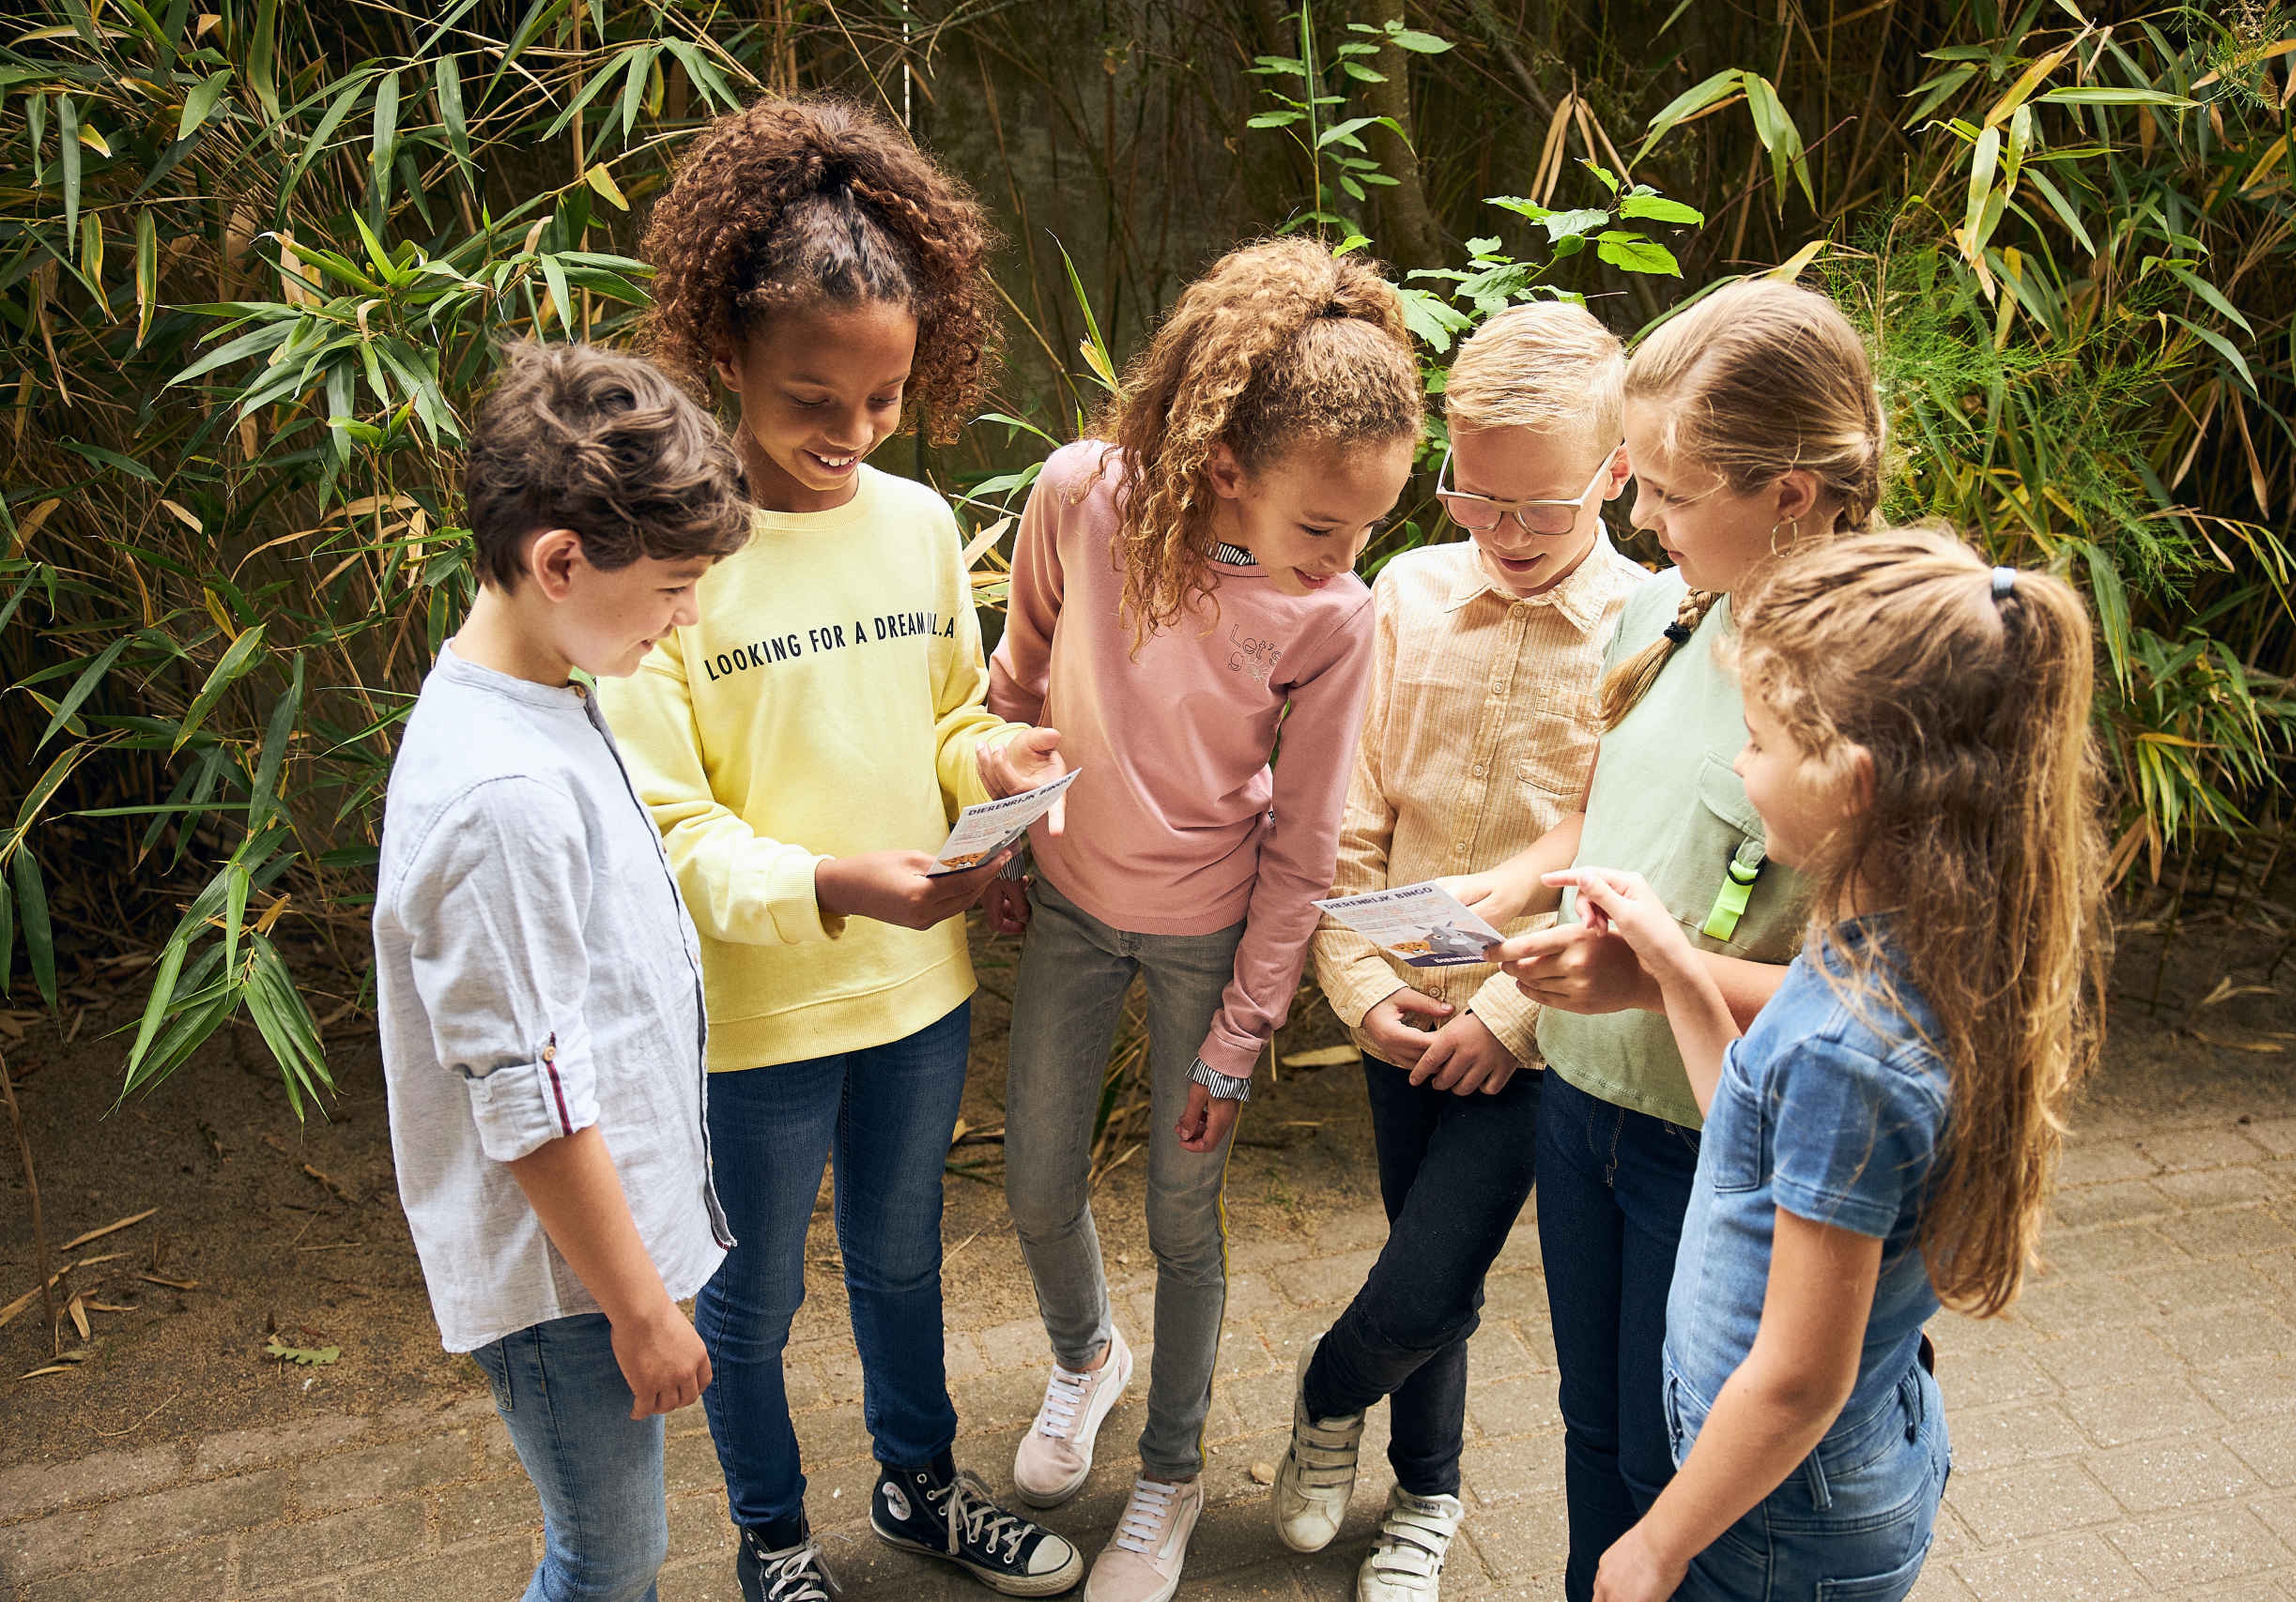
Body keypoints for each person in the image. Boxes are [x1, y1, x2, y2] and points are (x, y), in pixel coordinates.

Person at [598, 95, 1079, 1601]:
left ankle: (921, 1486)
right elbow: (669, 830)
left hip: (917, 992)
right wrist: (830, 885)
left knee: (901, 1261)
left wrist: (987, 758)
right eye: (814, 397)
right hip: (752, 1017)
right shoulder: (667, 553)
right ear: (724, 352)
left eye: (883, 401)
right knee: (747, 1302)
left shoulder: (923, 522)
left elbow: (938, 716)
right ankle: (771, 1535)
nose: (851, 436)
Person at [981, 236, 1422, 1602]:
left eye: (1370, 533)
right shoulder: (1081, 496)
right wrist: (998, 824)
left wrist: (1242, 1032)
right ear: (1227, 457)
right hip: (1069, 900)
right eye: (1324, 529)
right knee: (1037, 1181)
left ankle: (1169, 1473)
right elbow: (1019, 676)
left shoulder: (1332, 618)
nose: (1350, 562)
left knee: (1186, 1214)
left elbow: (1306, 841)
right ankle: (1084, 1358)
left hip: (1206, 939)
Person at [1562, 528, 2106, 1601]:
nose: (1738, 766)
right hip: (1818, 1469)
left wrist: (1657, 1544)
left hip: (1777, 1517)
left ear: (1850, 783)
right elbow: (1751, 1153)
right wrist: (1676, 973)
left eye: (1757, 742)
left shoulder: (1848, 1053)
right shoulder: (1902, 941)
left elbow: (1798, 1381)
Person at [1456, 279, 1887, 1597]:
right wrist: (1514, 888)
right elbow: (1612, 821)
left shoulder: (1876, 680)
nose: (1636, 519)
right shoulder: (1664, 609)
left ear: (1790, 495)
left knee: (1675, 1469)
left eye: (1670, 491)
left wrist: (1658, 976)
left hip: (1723, 1136)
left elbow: (1881, 1002)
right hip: (1584, 1100)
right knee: (1596, 1436)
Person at [374, 341, 751, 1602]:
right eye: (676, 586)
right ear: (561, 561)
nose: (688, 614)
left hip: (595, 1259)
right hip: (569, 1283)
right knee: (607, 1558)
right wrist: (640, 1308)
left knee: (616, 1547)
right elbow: (526, 1095)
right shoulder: (502, 796)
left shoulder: (542, 686)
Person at [1281, 302, 1645, 1601]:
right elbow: (1346, 812)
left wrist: (1507, 1012)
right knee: (1413, 1250)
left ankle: (1328, 1392)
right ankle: (1427, 1491)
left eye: (1539, 505)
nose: (1502, 531)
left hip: (1544, 1021)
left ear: (1615, 471)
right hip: (1400, 1004)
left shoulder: (1647, 628)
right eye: (1472, 493)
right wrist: (1368, 988)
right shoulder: (1406, 594)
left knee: (1434, 1271)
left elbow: (1622, 849)